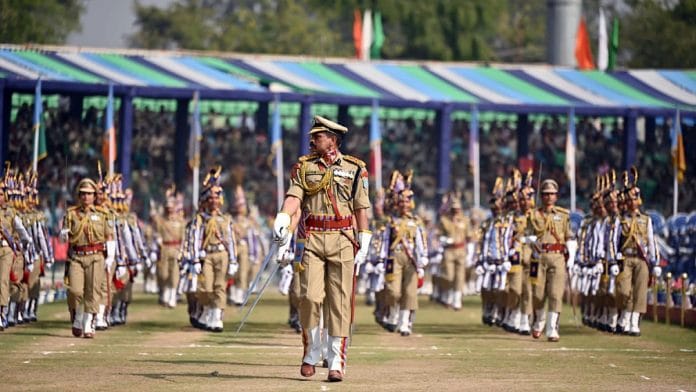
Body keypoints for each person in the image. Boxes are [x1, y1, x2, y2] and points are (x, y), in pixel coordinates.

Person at [272, 116, 371, 382]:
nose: (312, 140)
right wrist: (283, 217)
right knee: (310, 297)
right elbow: (295, 196)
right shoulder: (305, 167)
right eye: (313, 136)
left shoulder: (355, 168)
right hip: (314, 238)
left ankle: (336, 361)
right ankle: (311, 353)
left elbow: (361, 207)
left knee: (340, 303)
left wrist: (365, 239)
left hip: (343, 239)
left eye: (318, 136)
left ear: (333, 139)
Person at [61, 178, 114, 338]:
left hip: (96, 256)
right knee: (75, 290)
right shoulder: (71, 214)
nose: (86, 197)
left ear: (95, 196)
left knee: (93, 292)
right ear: (79, 195)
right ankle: (77, 317)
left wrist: (110, 257)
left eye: (89, 194)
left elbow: (109, 236)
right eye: (83, 194)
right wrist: (63, 234)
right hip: (77, 256)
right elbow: (66, 235)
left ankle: (88, 323)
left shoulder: (103, 214)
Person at [378, 170, 429, 335]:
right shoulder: (391, 221)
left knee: (409, 292)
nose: (404, 205)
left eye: (407, 202)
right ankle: (392, 315)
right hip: (394, 258)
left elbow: (421, 242)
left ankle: (405, 323)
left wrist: (423, 260)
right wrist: (381, 260)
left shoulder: (416, 222)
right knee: (393, 291)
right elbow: (385, 241)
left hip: (411, 259)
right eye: (401, 202)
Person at [527, 178, 577, 342]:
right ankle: (539, 323)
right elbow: (525, 235)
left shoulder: (563, 215)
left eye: (552, 194)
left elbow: (570, 237)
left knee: (555, 294)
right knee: (538, 294)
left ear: (556, 196)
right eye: (546, 194)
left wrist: (571, 257)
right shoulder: (533, 214)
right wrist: (531, 240)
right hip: (538, 258)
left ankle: (552, 329)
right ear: (541, 196)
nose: (549, 197)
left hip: (557, 257)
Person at [615, 167, 659, 336]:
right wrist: (614, 257)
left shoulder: (646, 219)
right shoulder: (621, 219)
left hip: (641, 259)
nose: (633, 201)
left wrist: (654, 261)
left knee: (640, 291)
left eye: (635, 197)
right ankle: (624, 317)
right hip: (625, 258)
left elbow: (651, 241)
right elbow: (614, 240)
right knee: (624, 290)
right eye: (630, 198)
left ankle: (634, 323)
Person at [152, 185, 186, 308]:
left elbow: (183, 237)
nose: (169, 210)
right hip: (164, 249)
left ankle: (172, 297)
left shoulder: (181, 221)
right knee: (163, 274)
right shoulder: (162, 221)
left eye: (171, 208)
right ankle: (165, 293)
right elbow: (156, 231)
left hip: (176, 249)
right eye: (168, 208)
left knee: (174, 274)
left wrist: (183, 250)